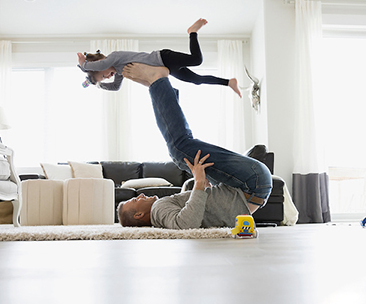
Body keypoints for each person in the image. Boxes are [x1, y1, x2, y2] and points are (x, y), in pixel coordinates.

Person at [117, 63, 272, 229]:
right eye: (135, 200)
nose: (139, 195)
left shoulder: (161, 212)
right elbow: (186, 223)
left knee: (181, 158)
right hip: (251, 183)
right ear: (139, 215)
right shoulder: (157, 210)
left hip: (249, 187)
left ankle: (158, 85)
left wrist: (205, 185)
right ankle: (157, 82)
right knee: (179, 148)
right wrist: (198, 182)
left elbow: (205, 211)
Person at [77, 18, 242, 97]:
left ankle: (192, 32)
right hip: (168, 69)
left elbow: (98, 66)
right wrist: (98, 85)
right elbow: (115, 87)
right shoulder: (120, 72)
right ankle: (229, 82)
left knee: (197, 60)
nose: (107, 77)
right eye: (104, 78)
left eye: (103, 74)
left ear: (99, 63)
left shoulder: (115, 58)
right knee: (196, 80)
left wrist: (84, 66)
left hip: (163, 58)